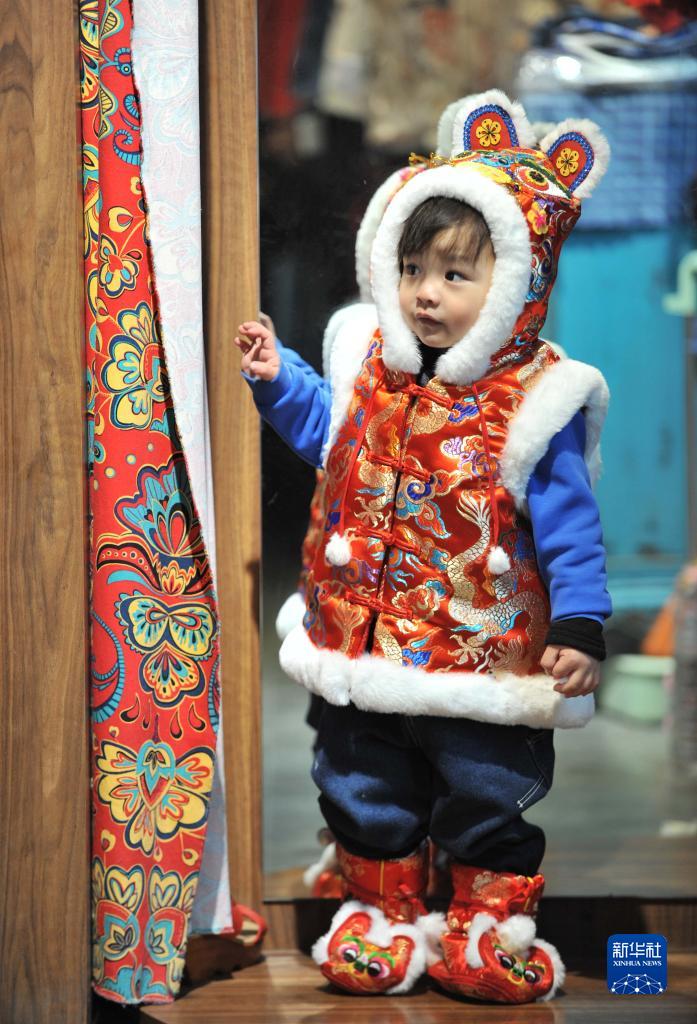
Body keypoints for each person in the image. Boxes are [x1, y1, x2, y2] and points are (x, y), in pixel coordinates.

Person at [235, 90, 611, 1004]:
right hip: (360, 645)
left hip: (480, 658)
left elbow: (570, 526)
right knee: (360, 780)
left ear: (515, 285)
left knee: (485, 790)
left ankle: (487, 919)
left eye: (453, 275)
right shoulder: (367, 360)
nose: (424, 293)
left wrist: (581, 625)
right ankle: (379, 906)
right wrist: (278, 378)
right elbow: (329, 435)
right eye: (411, 269)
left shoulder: (539, 398)